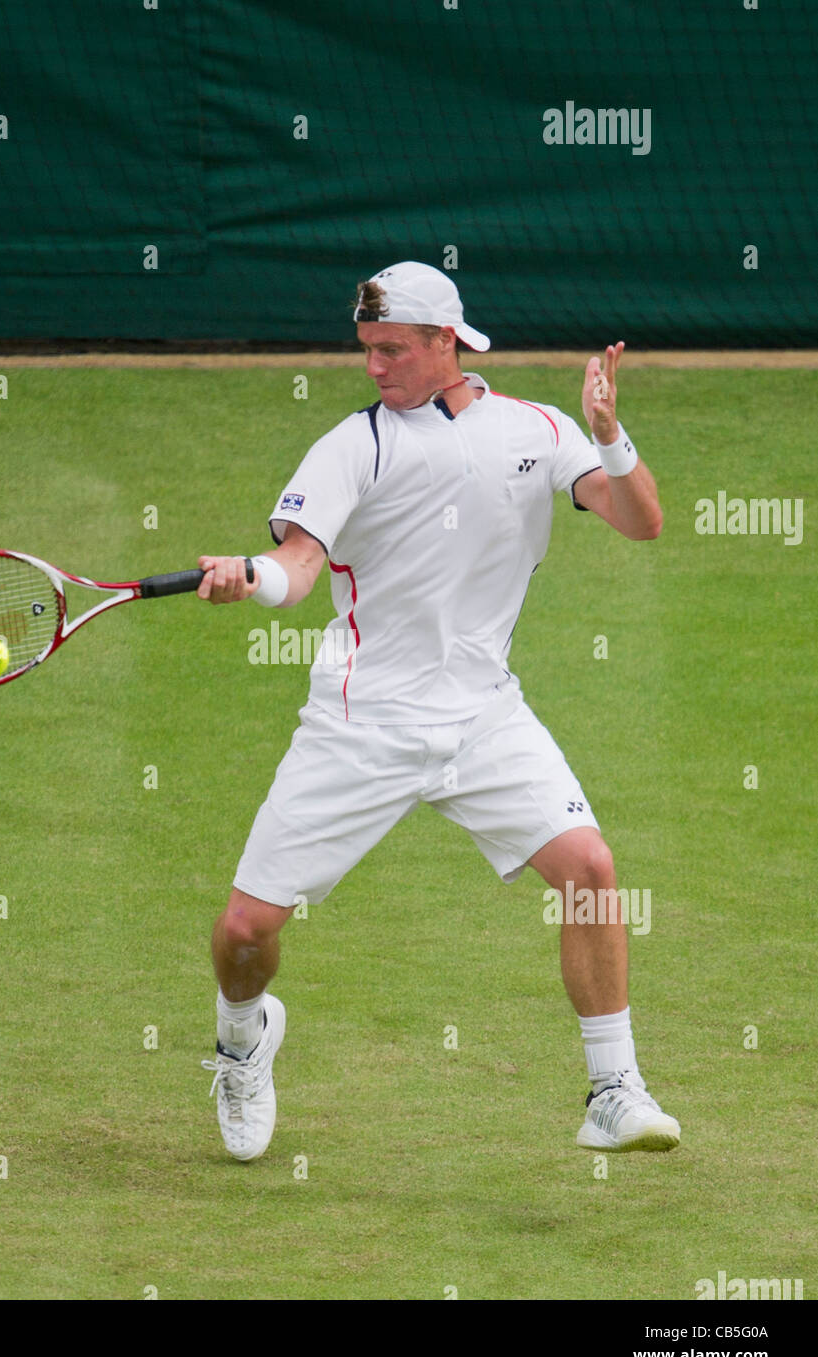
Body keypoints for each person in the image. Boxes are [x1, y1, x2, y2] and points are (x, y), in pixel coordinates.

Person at [198, 261, 680, 1161]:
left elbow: (639, 520)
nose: (374, 367)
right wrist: (251, 580)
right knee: (244, 934)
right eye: (365, 351)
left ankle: (613, 1090)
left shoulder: (538, 429)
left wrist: (612, 438)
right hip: (360, 721)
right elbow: (300, 566)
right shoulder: (350, 446)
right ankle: (242, 1040)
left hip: (484, 717)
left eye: (391, 350)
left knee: (589, 867)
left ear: (445, 342)